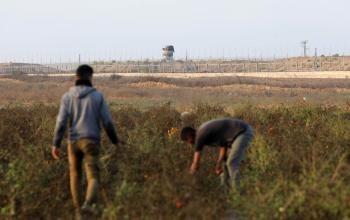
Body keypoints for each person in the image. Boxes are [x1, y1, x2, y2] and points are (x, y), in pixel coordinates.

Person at [51, 64, 120, 213]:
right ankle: (88, 204)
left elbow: (61, 122)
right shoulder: (97, 96)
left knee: (74, 174)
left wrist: (56, 144)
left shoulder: (67, 96)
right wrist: (115, 141)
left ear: (76, 77)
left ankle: (77, 208)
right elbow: (107, 121)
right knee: (93, 176)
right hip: (91, 141)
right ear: (90, 77)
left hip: (73, 142)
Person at [180, 118, 253, 192]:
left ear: (190, 136)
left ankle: (237, 192)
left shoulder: (200, 135)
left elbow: (195, 164)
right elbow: (223, 145)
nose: (190, 144)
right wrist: (219, 163)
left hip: (242, 132)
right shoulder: (203, 133)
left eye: (188, 141)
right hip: (234, 136)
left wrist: (188, 180)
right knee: (224, 164)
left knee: (231, 163)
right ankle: (225, 192)